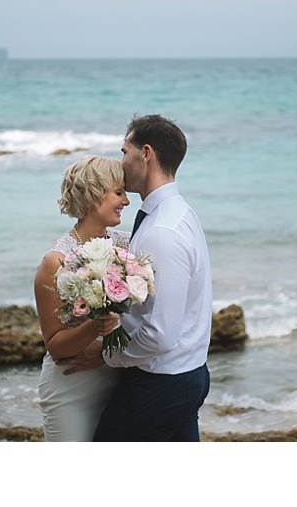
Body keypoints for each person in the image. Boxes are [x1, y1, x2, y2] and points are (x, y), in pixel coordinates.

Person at [61, 114, 212, 442]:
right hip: (185, 374)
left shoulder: (162, 231)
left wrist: (105, 354)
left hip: (161, 384)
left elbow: (160, 336)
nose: (121, 162)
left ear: (146, 153)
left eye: (124, 152)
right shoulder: (179, 213)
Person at [34, 156, 130, 442]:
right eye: (118, 192)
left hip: (117, 378)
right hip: (71, 388)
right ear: (93, 194)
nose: (126, 201)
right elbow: (56, 346)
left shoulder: (126, 246)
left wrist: (105, 354)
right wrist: (96, 327)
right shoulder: (56, 262)